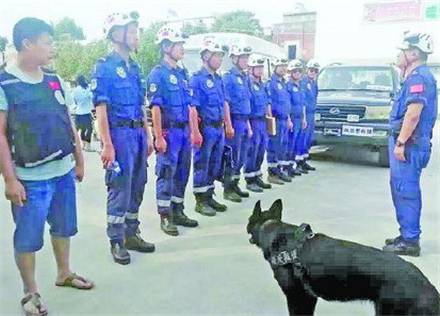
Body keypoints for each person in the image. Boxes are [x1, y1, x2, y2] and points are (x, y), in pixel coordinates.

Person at [0, 17, 94, 316]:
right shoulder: (6, 83)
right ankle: (30, 292)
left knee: (63, 227)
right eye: (47, 42)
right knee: (27, 237)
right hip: (30, 180)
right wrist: (10, 179)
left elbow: (68, 121)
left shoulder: (54, 80)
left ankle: (64, 272)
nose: (52, 48)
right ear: (27, 43)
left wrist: (79, 158)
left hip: (62, 171)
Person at [92, 12, 155, 265]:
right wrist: (107, 144)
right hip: (118, 134)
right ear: (117, 34)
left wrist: (148, 135)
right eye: (132, 31)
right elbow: (101, 109)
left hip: (138, 133)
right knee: (120, 187)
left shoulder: (135, 67)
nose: (136, 36)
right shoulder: (104, 66)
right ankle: (116, 240)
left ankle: (131, 233)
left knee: (138, 184)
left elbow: (142, 105)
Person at [383, 31, 437, 257]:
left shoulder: (418, 79)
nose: (399, 55)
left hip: (410, 144)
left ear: (414, 53)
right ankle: (406, 233)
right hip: (409, 142)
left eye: (403, 51)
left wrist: (401, 142)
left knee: (406, 191)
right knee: (401, 189)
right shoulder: (414, 76)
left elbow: (413, 114)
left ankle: (410, 240)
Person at [147, 25, 201, 236]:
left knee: (181, 173)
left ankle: (178, 210)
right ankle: (166, 215)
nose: (182, 49)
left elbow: (190, 105)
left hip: (184, 132)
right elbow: (156, 108)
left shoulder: (182, 73)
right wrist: (158, 136)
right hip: (169, 133)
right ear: (166, 46)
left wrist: (194, 131)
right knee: (166, 173)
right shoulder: (158, 74)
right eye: (179, 45)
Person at [190, 38, 228, 216]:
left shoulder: (218, 79)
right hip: (205, 127)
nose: (220, 59)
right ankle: (200, 200)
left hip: (218, 128)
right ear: (206, 56)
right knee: (202, 163)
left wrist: (227, 124)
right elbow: (193, 108)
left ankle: (209, 194)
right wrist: (196, 131)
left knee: (215, 163)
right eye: (217, 56)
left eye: (221, 56)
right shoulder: (197, 80)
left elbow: (224, 103)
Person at [222, 44, 253, 202]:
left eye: (247, 58)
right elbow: (226, 102)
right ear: (234, 59)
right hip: (234, 120)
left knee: (241, 156)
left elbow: (246, 102)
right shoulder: (228, 77)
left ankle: (235, 184)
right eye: (243, 58)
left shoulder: (245, 77)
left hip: (243, 121)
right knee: (232, 157)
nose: (246, 61)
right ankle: (228, 188)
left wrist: (248, 125)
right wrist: (228, 124)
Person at [244, 54, 272, 192]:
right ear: (251, 69)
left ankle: (257, 175)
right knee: (252, 150)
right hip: (253, 121)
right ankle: (250, 179)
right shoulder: (248, 84)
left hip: (263, 121)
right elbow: (247, 105)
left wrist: (270, 121)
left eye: (261, 68)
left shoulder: (263, 84)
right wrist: (248, 126)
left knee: (261, 150)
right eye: (257, 68)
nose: (260, 70)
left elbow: (267, 103)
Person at [266, 56, 293, 185]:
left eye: (284, 66)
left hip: (283, 119)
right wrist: (270, 121)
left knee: (282, 146)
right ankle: (272, 173)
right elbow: (269, 103)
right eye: (280, 66)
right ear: (275, 67)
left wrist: (288, 119)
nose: (283, 69)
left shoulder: (283, 83)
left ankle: (279, 170)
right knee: (273, 147)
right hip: (275, 119)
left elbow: (286, 103)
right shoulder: (271, 83)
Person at [287, 59, 308, 176]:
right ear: (290, 72)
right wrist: (288, 120)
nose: (297, 74)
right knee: (290, 143)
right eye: (295, 71)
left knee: (296, 143)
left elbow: (303, 104)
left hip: (300, 118)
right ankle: (287, 166)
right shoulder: (288, 87)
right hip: (292, 118)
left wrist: (304, 119)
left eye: (299, 71)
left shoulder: (300, 87)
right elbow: (287, 105)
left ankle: (292, 165)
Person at [300, 59, 320, 172]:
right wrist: (304, 117)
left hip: (312, 114)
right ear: (307, 70)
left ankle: (304, 160)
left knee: (308, 139)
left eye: (315, 71)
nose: (313, 72)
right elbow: (303, 101)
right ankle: (299, 162)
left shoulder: (314, 84)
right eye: (311, 70)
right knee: (302, 138)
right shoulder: (304, 82)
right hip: (305, 114)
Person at [72, 75, 95, 152]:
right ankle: (88, 145)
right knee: (90, 129)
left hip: (78, 112)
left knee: (82, 129)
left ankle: (83, 144)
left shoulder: (75, 90)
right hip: (87, 112)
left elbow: (74, 101)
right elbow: (92, 97)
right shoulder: (88, 88)